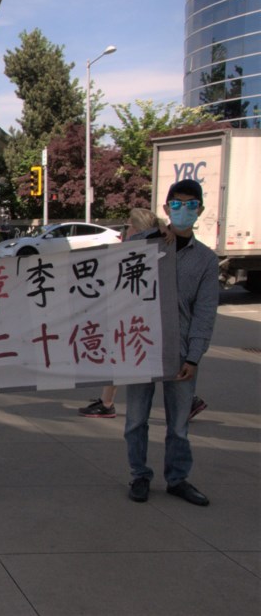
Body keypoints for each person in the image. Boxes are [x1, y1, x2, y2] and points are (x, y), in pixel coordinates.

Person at [124, 179, 218, 506]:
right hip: (140, 348)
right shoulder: (145, 245)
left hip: (180, 354)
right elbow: (115, 266)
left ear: (200, 211)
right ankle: (139, 475)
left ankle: (177, 478)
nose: (183, 211)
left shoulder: (206, 260)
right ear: (166, 209)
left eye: (191, 205)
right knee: (136, 420)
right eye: (176, 205)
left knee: (179, 424)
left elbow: (204, 312)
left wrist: (194, 357)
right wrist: (154, 233)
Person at [79, 207, 207, 422]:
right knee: (124, 357)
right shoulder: (146, 248)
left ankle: (108, 404)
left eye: (129, 225)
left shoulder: (146, 250)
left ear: (138, 228)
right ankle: (107, 402)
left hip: (141, 317)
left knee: (124, 356)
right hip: (138, 316)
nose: (125, 230)